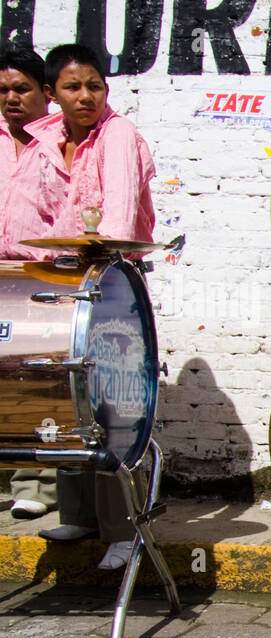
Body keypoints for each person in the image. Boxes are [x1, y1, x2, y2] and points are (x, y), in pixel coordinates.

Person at [26, 44, 156, 571]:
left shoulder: (119, 135)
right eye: (72, 87)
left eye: (95, 86)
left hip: (111, 284)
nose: (86, 97)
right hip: (59, 282)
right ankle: (78, 514)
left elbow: (120, 219)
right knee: (67, 393)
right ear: (52, 94)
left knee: (113, 403)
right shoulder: (44, 143)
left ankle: (122, 530)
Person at [0, 47, 65, 519]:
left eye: (21, 89)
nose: (11, 99)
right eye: (3, 90)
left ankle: (38, 484)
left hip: (41, 276)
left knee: (39, 381)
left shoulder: (61, 143)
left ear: (45, 92)